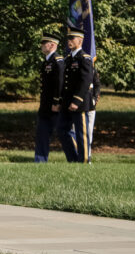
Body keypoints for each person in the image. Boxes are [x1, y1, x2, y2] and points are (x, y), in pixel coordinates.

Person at [56, 27, 94, 164]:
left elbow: (86, 81)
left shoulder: (85, 58)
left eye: (72, 39)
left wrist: (76, 101)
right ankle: (73, 159)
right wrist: (61, 100)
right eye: (68, 38)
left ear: (80, 40)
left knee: (81, 133)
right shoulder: (68, 59)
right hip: (67, 101)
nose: (69, 41)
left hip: (79, 102)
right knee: (61, 129)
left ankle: (83, 161)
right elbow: (65, 83)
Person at [34, 32, 67, 163]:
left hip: (54, 105)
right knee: (42, 133)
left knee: (64, 133)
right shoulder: (47, 62)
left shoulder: (58, 61)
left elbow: (60, 83)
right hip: (45, 104)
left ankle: (76, 157)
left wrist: (57, 101)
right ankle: (40, 160)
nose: (41, 46)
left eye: (44, 43)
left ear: (52, 45)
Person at [87, 68, 100, 163]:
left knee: (89, 132)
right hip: (76, 106)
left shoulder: (92, 70)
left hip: (90, 106)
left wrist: (94, 99)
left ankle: (88, 156)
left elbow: (97, 85)